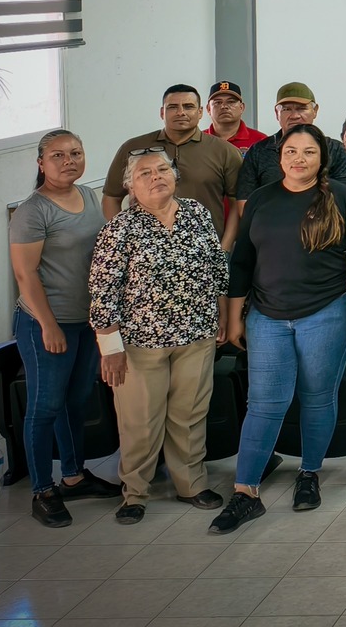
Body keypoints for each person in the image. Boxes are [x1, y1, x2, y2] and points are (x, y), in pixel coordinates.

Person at [211, 124, 346, 533]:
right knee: (264, 403)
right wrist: (234, 317)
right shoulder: (261, 198)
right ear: (279, 157)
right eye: (291, 151)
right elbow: (243, 260)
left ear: (322, 157)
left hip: (328, 312)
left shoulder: (344, 198)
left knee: (317, 396)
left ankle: (309, 473)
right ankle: (245, 491)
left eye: (309, 151)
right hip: (267, 315)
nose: (299, 159)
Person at [89, 148, 228, 524]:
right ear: (129, 185)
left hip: (196, 334)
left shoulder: (196, 213)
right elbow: (102, 290)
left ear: (175, 175)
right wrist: (110, 347)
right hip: (140, 344)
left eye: (162, 169)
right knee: (141, 420)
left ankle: (191, 484)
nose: (155, 177)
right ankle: (135, 492)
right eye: (144, 173)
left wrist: (222, 313)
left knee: (190, 414)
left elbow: (217, 265)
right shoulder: (120, 228)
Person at [9, 130, 119, 527]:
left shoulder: (88, 196)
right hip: (47, 322)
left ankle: (73, 476)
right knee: (45, 405)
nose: (68, 160)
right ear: (41, 163)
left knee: (75, 400)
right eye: (58, 155)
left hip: (87, 321)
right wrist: (48, 325)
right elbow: (25, 275)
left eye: (75, 153)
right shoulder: (32, 212)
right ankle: (42, 489)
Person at [226, 82, 346, 245]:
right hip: (270, 239)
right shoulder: (259, 151)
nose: (294, 115)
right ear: (277, 113)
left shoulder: (335, 149)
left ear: (315, 111)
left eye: (301, 108)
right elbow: (245, 202)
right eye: (286, 109)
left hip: (323, 239)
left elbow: (344, 201)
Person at [102, 84, 241, 221]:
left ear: (200, 112)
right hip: (146, 235)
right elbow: (111, 197)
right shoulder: (133, 148)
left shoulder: (225, 151)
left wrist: (227, 237)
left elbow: (236, 204)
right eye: (173, 107)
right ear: (162, 112)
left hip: (207, 235)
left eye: (188, 106)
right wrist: (121, 232)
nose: (181, 112)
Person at [205, 81, 267, 152]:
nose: (224, 106)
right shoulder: (199, 141)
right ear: (208, 109)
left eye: (231, 102)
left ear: (241, 107)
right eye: (218, 102)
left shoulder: (261, 141)